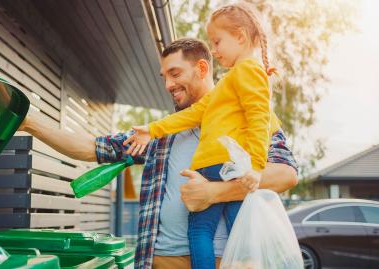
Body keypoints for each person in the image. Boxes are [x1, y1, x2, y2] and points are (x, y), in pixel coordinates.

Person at [18, 38, 298, 269]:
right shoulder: (161, 134)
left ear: (202, 68)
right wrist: (29, 122)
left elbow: (285, 175)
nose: (168, 85)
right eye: (164, 77)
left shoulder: (249, 117)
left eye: (175, 74)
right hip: (160, 262)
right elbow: (92, 148)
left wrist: (213, 192)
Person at [124, 3, 279, 269]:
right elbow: (194, 114)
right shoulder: (230, 82)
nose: (215, 49)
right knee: (238, 228)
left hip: (217, 165)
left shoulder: (246, 71)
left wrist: (255, 165)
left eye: (218, 42)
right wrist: (153, 129)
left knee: (200, 231)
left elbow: (259, 119)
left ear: (240, 36)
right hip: (228, 167)